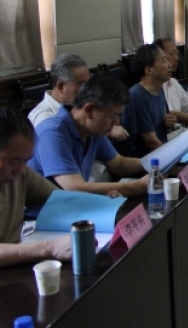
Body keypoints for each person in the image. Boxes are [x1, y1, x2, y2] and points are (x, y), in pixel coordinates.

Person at [28, 72, 148, 196]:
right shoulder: (53, 133)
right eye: (113, 116)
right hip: (47, 208)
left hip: (74, 204)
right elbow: (75, 188)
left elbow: (118, 164)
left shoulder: (93, 130)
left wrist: (155, 164)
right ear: (89, 110)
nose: (117, 122)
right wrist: (138, 186)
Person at [0, 108, 72, 268]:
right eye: (14, 162)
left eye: (25, 161)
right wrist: (49, 248)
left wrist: (108, 203)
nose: (20, 170)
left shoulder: (21, 173)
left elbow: (62, 199)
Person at [27, 54, 128, 142]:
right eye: (81, 84)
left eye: (88, 83)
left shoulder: (78, 107)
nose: (88, 88)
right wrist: (107, 131)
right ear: (61, 86)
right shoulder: (44, 118)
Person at [120, 44, 175, 157]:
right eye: (164, 60)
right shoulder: (136, 96)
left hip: (160, 152)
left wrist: (168, 121)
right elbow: (151, 142)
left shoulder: (159, 89)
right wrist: (173, 156)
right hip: (144, 160)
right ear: (149, 69)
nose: (169, 64)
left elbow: (162, 120)